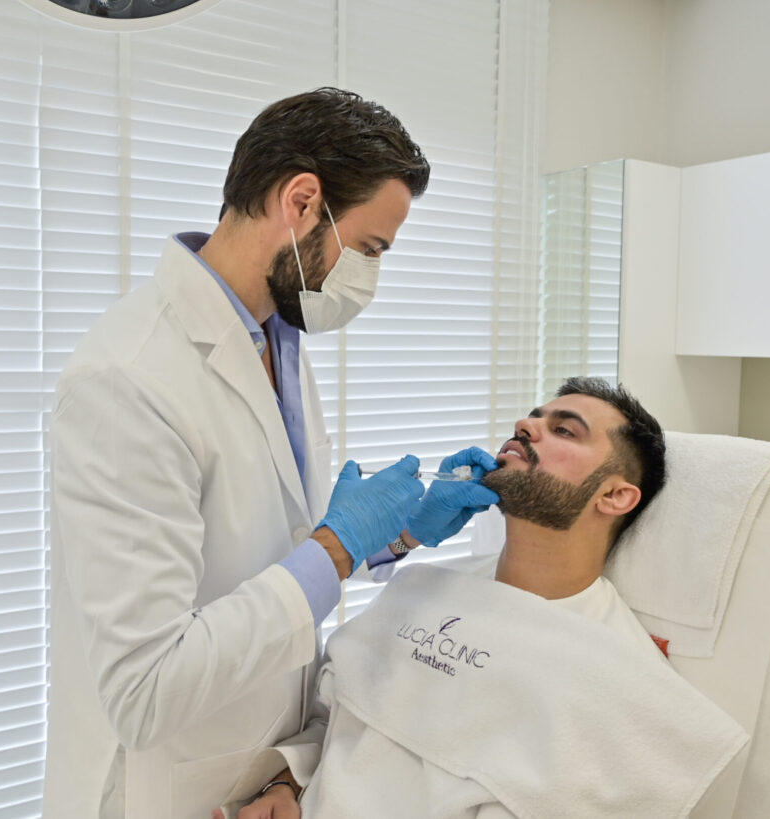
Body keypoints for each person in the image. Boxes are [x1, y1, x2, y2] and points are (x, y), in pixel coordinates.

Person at [42, 88, 500, 819]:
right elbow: (144, 687)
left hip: (257, 772)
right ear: (302, 202)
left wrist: (397, 532)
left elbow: (272, 545)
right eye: (371, 248)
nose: (370, 278)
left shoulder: (275, 339)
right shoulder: (126, 378)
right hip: (157, 786)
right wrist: (338, 545)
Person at [217, 377, 748, 818]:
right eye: (534, 417)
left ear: (615, 495)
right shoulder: (425, 588)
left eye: (562, 429)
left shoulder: (617, 674)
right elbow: (343, 718)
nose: (526, 425)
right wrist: (288, 783)